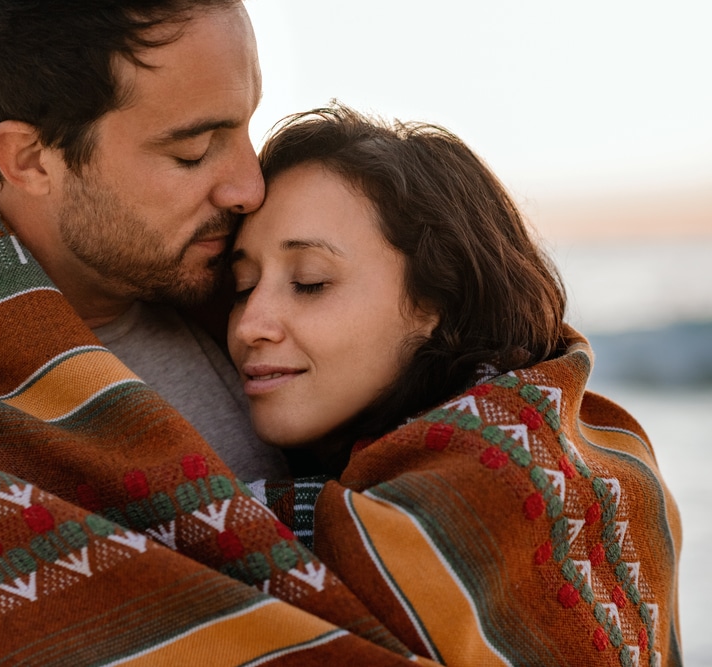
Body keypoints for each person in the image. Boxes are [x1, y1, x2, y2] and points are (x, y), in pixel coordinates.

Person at [0, 4, 424, 666]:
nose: (248, 185)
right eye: (192, 150)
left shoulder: (265, 295)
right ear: (31, 158)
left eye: (245, 126)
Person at [227, 103, 684, 665]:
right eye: (242, 285)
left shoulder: (521, 493)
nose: (251, 324)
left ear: (437, 304)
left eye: (310, 283)